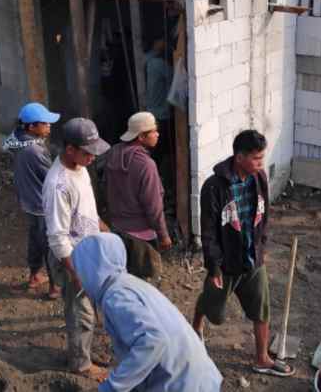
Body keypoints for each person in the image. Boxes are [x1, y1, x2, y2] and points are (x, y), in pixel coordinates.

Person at [192, 130, 295, 378]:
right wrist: (214, 266)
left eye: (262, 157)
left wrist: (262, 247)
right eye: (256, 158)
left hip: (252, 260)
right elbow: (208, 231)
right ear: (239, 157)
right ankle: (195, 327)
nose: (261, 163)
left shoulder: (259, 177)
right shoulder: (214, 187)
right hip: (226, 264)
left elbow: (264, 215)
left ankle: (262, 358)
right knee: (212, 308)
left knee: (262, 310)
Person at [72, 233, 223, 392]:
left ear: (89, 269)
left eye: (80, 270)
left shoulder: (115, 297)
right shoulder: (128, 284)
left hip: (183, 383)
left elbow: (153, 340)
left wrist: (112, 387)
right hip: (196, 376)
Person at [43, 117, 110, 381]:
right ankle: (81, 364)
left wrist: (101, 226)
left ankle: (83, 353)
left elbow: (85, 208)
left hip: (87, 250)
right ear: (70, 149)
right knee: (79, 311)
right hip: (72, 257)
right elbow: (58, 237)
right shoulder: (57, 185)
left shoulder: (80, 168)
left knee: (88, 308)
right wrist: (75, 271)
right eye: (87, 152)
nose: (93, 157)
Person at [2, 102, 61, 299]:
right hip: (41, 204)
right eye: (45, 123)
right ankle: (55, 287)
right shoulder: (35, 151)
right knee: (50, 246)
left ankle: (35, 275)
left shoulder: (16, 140)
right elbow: (52, 179)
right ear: (31, 127)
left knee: (35, 240)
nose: (49, 126)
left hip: (27, 201)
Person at [105, 112, 172, 279]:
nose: (157, 134)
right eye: (154, 131)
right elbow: (153, 205)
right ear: (141, 136)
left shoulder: (113, 153)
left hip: (117, 229)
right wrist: (163, 235)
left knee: (124, 279)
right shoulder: (146, 165)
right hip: (141, 234)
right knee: (145, 283)